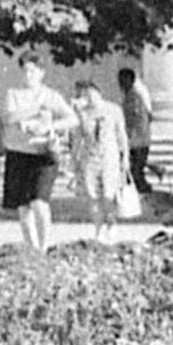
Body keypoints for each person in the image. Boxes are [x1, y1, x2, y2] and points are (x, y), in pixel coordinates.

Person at [0, 52, 76, 252]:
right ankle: (31, 247)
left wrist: (50, 127)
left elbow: (72, 119)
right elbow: (9, 117)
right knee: (23, 207)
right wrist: (36, 110)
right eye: (25, 71)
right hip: (19, 151)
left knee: (39, 202)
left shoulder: (51, 95)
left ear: (41, 72)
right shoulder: (13, 94)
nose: (28, 75)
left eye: (32, 71)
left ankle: (43, 246)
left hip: (43, 153)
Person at [68, 78, 134, 232]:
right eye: (84, 95)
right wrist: (74, 158)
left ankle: (111, 223)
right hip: (90, 157)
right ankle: (98, 228)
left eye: (90, 93)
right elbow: (78, 137)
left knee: (108, 194)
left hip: (109, 157)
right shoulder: (82, 113)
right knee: (93, 195)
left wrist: (125, 157)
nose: (89, 98)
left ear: (98, 92)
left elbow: (121, 135)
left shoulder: (114, 110)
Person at [117, 65, 154, 193]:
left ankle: (144, 194)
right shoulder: (128, 97)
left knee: (135, 172)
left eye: (124, 80)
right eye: (120, 80)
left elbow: (138, 121)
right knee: (134, 172)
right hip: (136, 140)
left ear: (131, 80)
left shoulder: (134, 98)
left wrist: (129, 138)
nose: (121, 83)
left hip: (138, 141)